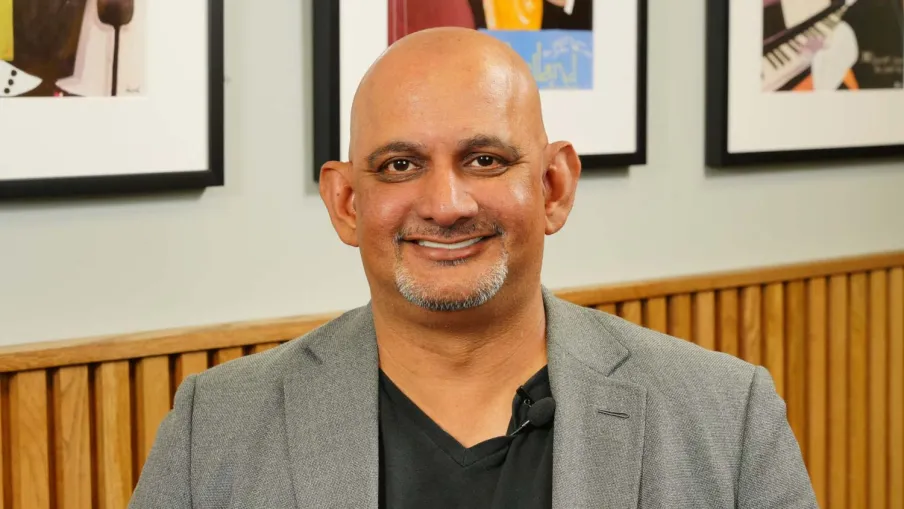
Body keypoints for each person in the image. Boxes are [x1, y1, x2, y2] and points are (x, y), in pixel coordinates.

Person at [128, 27, 818, 508]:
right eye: (400, 165)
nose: (446, 204)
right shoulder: (213, 427)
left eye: (484, 159)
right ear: (345, 202)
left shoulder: (726, 417)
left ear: (553, 186)